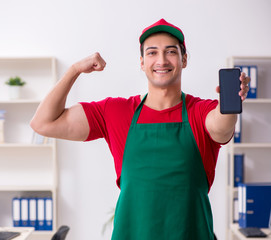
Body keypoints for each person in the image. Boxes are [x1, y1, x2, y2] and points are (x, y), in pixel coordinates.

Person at [30, 18, 250, 240]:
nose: (162, 60)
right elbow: (43, 123)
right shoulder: (116, 112)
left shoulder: (201, 111)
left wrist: (230, 104)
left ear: (184, 59)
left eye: (171, 52)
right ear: (142, 62)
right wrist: (74, 70)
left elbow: (221, 126)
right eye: (152, 52)